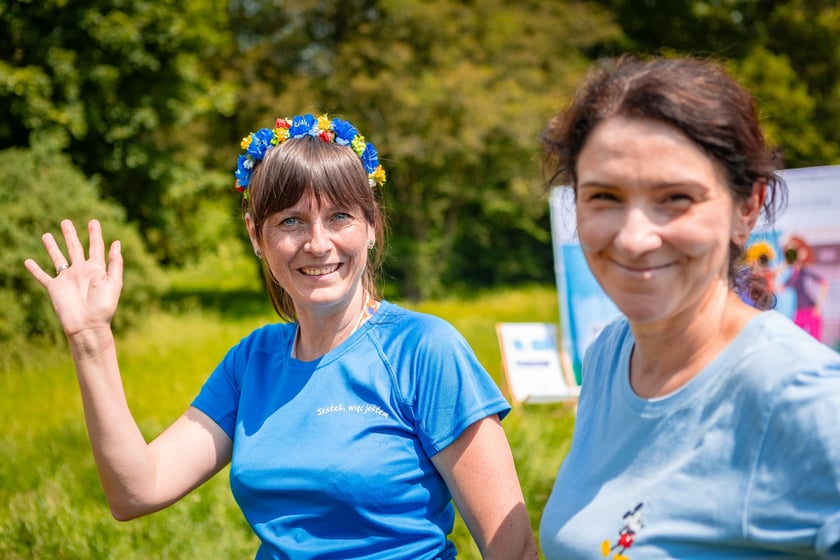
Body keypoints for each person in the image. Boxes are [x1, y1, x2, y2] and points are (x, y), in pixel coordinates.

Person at [25, 113, 538, 559]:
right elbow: (137, 491)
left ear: (371, 226)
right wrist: (91, 338)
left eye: (340, 216)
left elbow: (512, 550)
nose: (318, 243)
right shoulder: (252, 361)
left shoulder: (424, 350)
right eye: (291, 221)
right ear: (256, 235)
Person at [537, 56, 840, 558]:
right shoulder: (611, 355)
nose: (634, 238)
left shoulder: (800, 397)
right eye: (604, 196)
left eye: (676, 197)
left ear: (747, 209)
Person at [779, 234, 829, 340]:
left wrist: (818, 306)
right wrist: (785, 265)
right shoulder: (793, 274)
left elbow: (824, 283)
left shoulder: (806, 271)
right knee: (798, 340)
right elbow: (780, 289)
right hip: (799, 312)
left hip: (811, 311)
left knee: (815, 341)